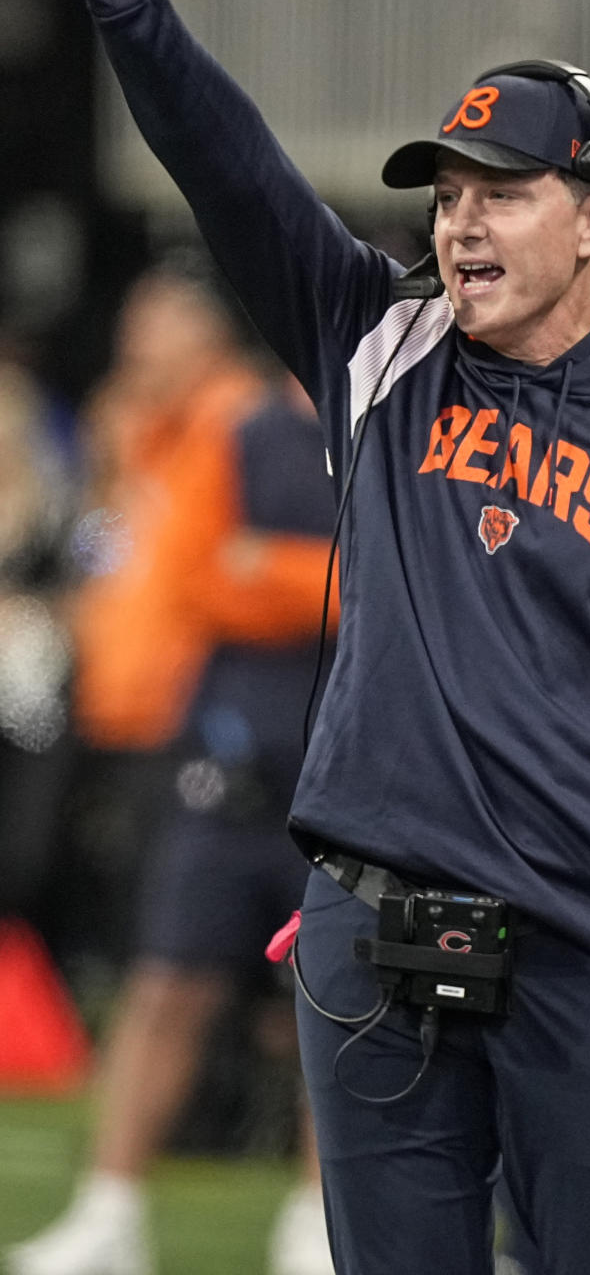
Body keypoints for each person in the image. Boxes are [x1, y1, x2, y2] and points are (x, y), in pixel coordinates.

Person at [46, 0, 590, 1275]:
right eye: (447, 195)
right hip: (376, 943)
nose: (462, 223)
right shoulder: (382, 352)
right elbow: (227, 167)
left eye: (506, 193)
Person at [5, 268, 340, 1275]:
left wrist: (262, 571)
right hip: (213, 742)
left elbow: (351, 578)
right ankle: (110, 1212)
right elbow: (184, 566)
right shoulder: (179, 429)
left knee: (336, 994)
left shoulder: (280, 421)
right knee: (165, 979)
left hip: (319, 748)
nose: (138, 340)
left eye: (159, 322)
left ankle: (318, 1217)